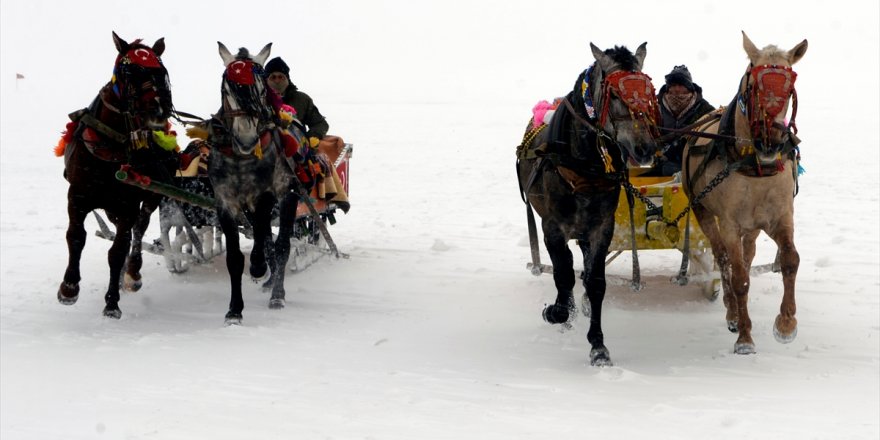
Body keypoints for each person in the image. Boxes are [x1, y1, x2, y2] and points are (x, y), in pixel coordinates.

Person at [654, 65, 715, 175]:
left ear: (689, 87)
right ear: (668, 87)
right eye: (673, 85)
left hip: (693, 163)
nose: (677, 89)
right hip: (658, 162)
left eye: (681, 85)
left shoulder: (704, 109)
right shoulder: (654, 107)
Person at [264, 57, 329, 144]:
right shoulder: (260, 101)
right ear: (266, 80)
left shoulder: (302, 99)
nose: (277, 81)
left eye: (280, 77)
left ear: (287, 79)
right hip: (267, 150)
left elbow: (320, 124)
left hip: (298, 150)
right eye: (273, 77)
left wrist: (311, 137)